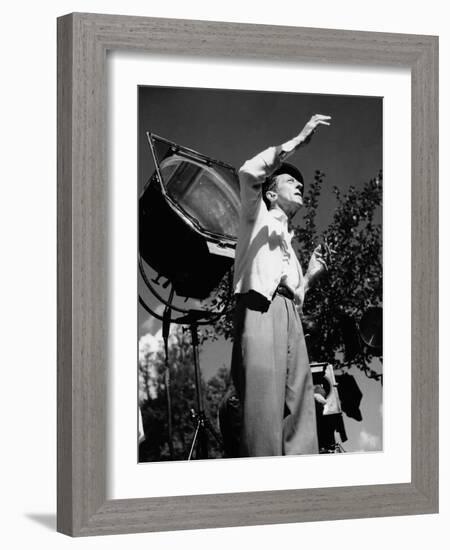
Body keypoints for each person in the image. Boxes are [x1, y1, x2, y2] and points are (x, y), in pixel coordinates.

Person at [228, 114, 332, 457]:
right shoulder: (254, 215)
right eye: (292, 181)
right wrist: (297, 141)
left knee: (301, 413)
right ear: (271, 194)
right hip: (260, 308)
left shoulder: (290, 243)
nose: (299, 185)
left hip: (290, 317)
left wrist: (313, 273)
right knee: (262, 412)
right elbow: (247, 172)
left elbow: (297, 296)